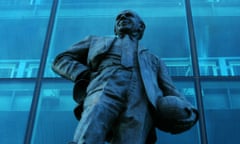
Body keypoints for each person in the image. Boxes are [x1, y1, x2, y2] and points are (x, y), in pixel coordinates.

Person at [52, 10, 198, 144]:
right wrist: (84, 74)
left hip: (140, 98)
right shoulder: (95, 41)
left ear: (140, 28)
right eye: (119, 18)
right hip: (106, 84)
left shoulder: (154, 60)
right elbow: (61, 59)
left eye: (128, 15)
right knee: (94, 120)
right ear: (115, 29)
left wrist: (189, 112)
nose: (122, 18)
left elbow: (170, 89)